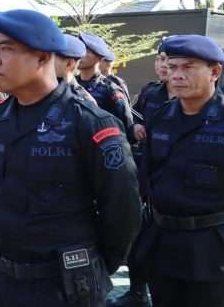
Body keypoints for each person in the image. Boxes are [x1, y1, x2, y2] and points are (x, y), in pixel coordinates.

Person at [0, 8, 141, 306]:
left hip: (66, 287)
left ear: (43, 57)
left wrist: (95, 265)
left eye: (6, 49)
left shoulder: (90, 123)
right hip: (8, 281)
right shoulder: (0, 120)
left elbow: (124, 210)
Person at [135, 35, 224, 307]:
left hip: (211, 252)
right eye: (172, 67)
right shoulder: (162, 116)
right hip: (163, 243)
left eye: (188, 67)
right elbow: (148, 176)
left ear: (215, 72)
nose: (177, 75)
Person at [108, 42, 173, 307]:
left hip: (177, 184)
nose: (164, 65)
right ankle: (137, 291)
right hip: (147, 172)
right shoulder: (151, 92)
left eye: (170, 60)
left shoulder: (195, 98)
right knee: (140, 236)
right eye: (160, 59)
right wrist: (136, 127)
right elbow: (136, 120)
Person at [76, 32, 134, 134]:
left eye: (86, 50)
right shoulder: (68, 85)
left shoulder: (111, 90)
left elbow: (126, 128)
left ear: (99, 57)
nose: (80, 54)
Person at [55, 34, 97, 104]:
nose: (45, 63)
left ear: (69, 64)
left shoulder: (84, 102)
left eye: (51, 60)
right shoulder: (41, 90)